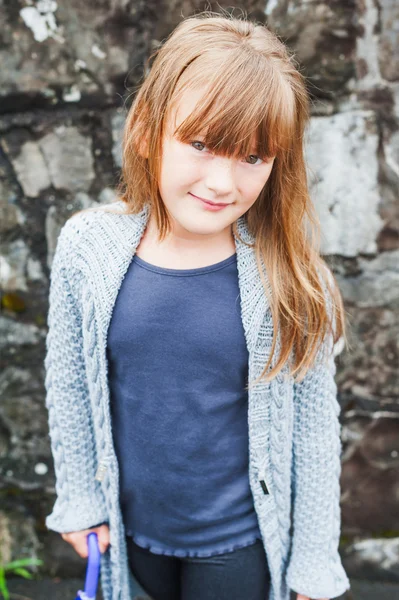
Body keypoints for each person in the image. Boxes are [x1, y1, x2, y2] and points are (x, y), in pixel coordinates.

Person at [44, 9, 352, 600]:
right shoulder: (88, 247)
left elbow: (314, 436)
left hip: (239, 551)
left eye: (253, 157)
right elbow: (70, 384)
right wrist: (80, 498)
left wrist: (313, 564)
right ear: (146, 131)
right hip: (131, 538)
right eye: (202, 143)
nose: (222, 182)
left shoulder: (291, 275)